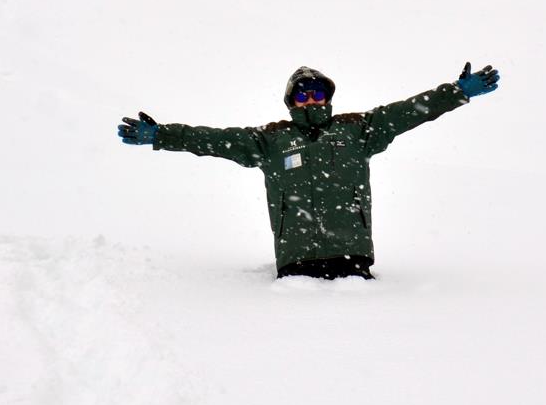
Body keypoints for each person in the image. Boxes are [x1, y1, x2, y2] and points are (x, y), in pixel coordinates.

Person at [117, 63, 501, 279]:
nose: (312, 98)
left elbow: (409, 111)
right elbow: (212, 140)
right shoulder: (270, 140)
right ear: (290, 101)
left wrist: (456, 91)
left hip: (352, 259)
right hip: (296, 262)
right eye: (303, 93)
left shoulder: (358, 130)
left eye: (319, 92)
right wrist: (161, 135)